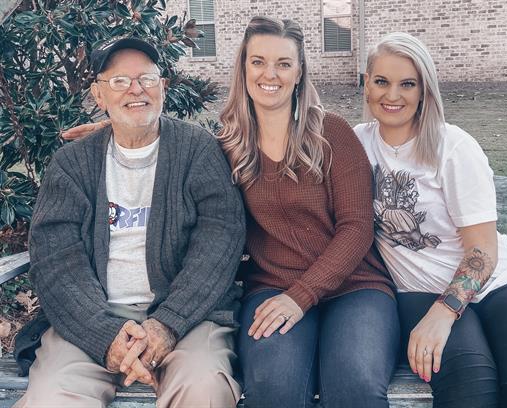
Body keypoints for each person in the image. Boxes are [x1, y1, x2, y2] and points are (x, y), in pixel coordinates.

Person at [14, 37, 245, 408]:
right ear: (99, 95)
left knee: (204, 390)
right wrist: (106, 335)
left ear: (163, 88)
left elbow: (219, 243)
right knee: (52, 399)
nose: (136, 89)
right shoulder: (71, 165)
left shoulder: (197, 151)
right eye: (120, 81)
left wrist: (166, 324)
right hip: (89, 323)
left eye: (147, 79)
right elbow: (56, 260)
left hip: (185, 320)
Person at [354, 32, 507, 407]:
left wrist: (445, 312)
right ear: (366, 86)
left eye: (407, 84)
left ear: (425, 90)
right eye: (381, 82)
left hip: (500, 281)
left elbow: (483, 248)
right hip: (419, 291)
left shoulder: (453, 146)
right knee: (471, 388)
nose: (392, 95)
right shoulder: (355, 144)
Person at [217, 17, 398, 408]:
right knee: (273, 389)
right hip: (272, 287)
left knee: (355, 385)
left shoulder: (331, 133)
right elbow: (173, 144)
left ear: (299, 72)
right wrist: (112, 129)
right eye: (258, 62)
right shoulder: (230, 143)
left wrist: (302, 296)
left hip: (356, 286)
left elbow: (356, 228)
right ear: (244, 68)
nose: (271, 74)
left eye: (284, 63)